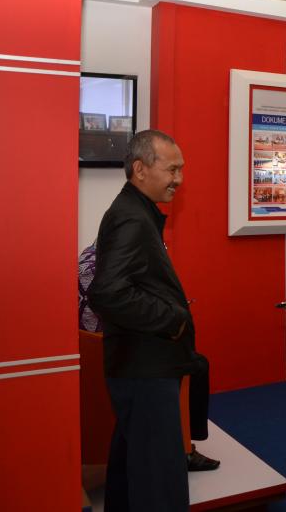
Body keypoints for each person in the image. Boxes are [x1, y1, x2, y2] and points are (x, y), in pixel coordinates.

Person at [87, 130, 201, 511]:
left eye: (181, 170)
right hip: (145, 369)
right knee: (158, 484)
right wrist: (172, 318)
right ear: (140, 169)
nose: (179, 179)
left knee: (132, 472)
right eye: (172, 169)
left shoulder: (135, 211)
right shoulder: (131, 218)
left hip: (139, 366)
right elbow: (107, 293)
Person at [79, 241, 220, 471]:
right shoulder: (121, 269)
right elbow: (136, 315)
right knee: (196, 363)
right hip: (120, 353)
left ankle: (182, 442)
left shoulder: (88, 257)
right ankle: (184, 448)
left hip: (91, 350)